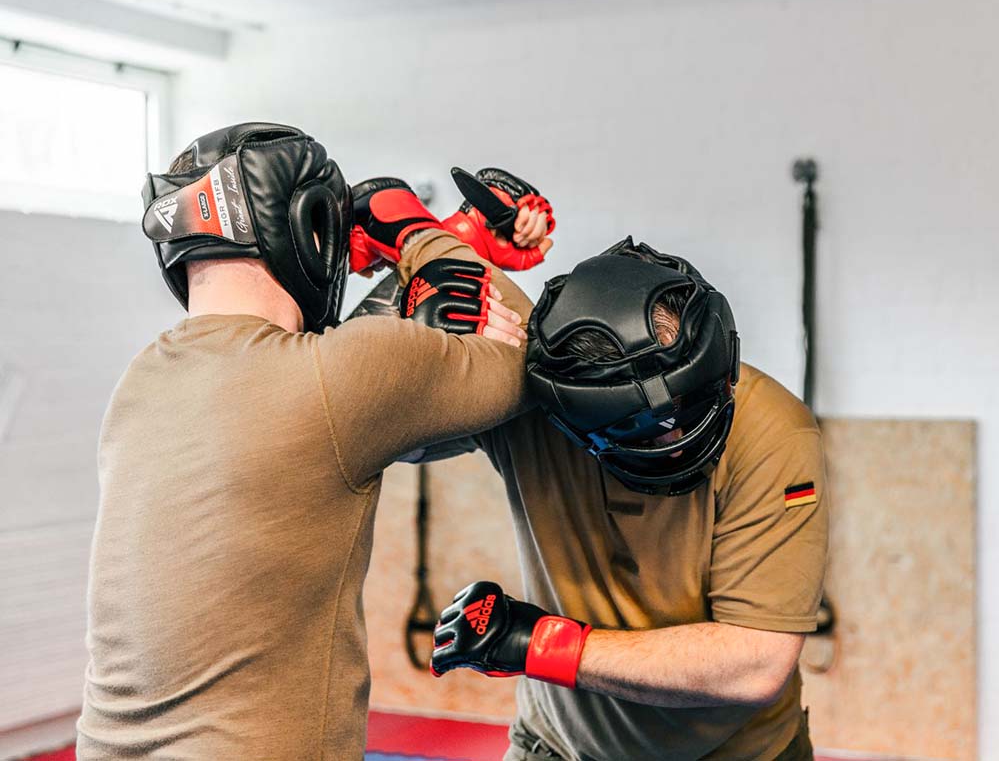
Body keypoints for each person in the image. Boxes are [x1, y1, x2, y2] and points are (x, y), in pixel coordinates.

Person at [77, 122, 551, 759]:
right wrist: (414, 227)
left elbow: (361, 390)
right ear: (304, 229)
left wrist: (457, 249)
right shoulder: (339, 383)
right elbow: (517, 359)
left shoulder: (143, 381)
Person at [374, 236, 829, 760]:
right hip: (554, 746)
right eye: (649, 424)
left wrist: (539, 643)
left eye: (692, 400)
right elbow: (368, 426)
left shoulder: (773, 433)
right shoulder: (531, 391)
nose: (680, 432)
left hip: (740, 754)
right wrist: (411, 347)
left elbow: (756, 661)